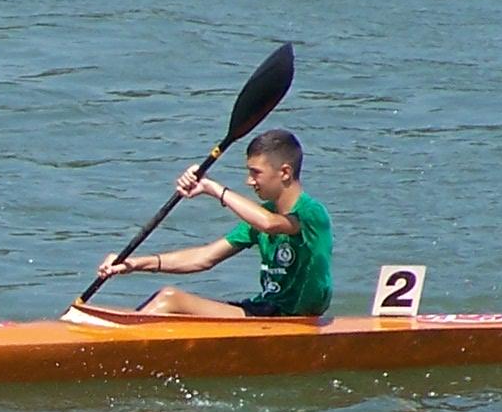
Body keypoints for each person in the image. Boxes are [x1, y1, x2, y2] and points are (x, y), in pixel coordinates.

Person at [97, 128, 331, 318]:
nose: (249, 181)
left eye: (255, 173)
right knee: (170, 305)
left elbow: (269, 224)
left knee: (170, 298)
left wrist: (211, 187)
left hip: (296, 320)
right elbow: (204, 258)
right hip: (265, 311)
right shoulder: (261, 215)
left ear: (285, 172)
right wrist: (134, 264)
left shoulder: (312, 213)